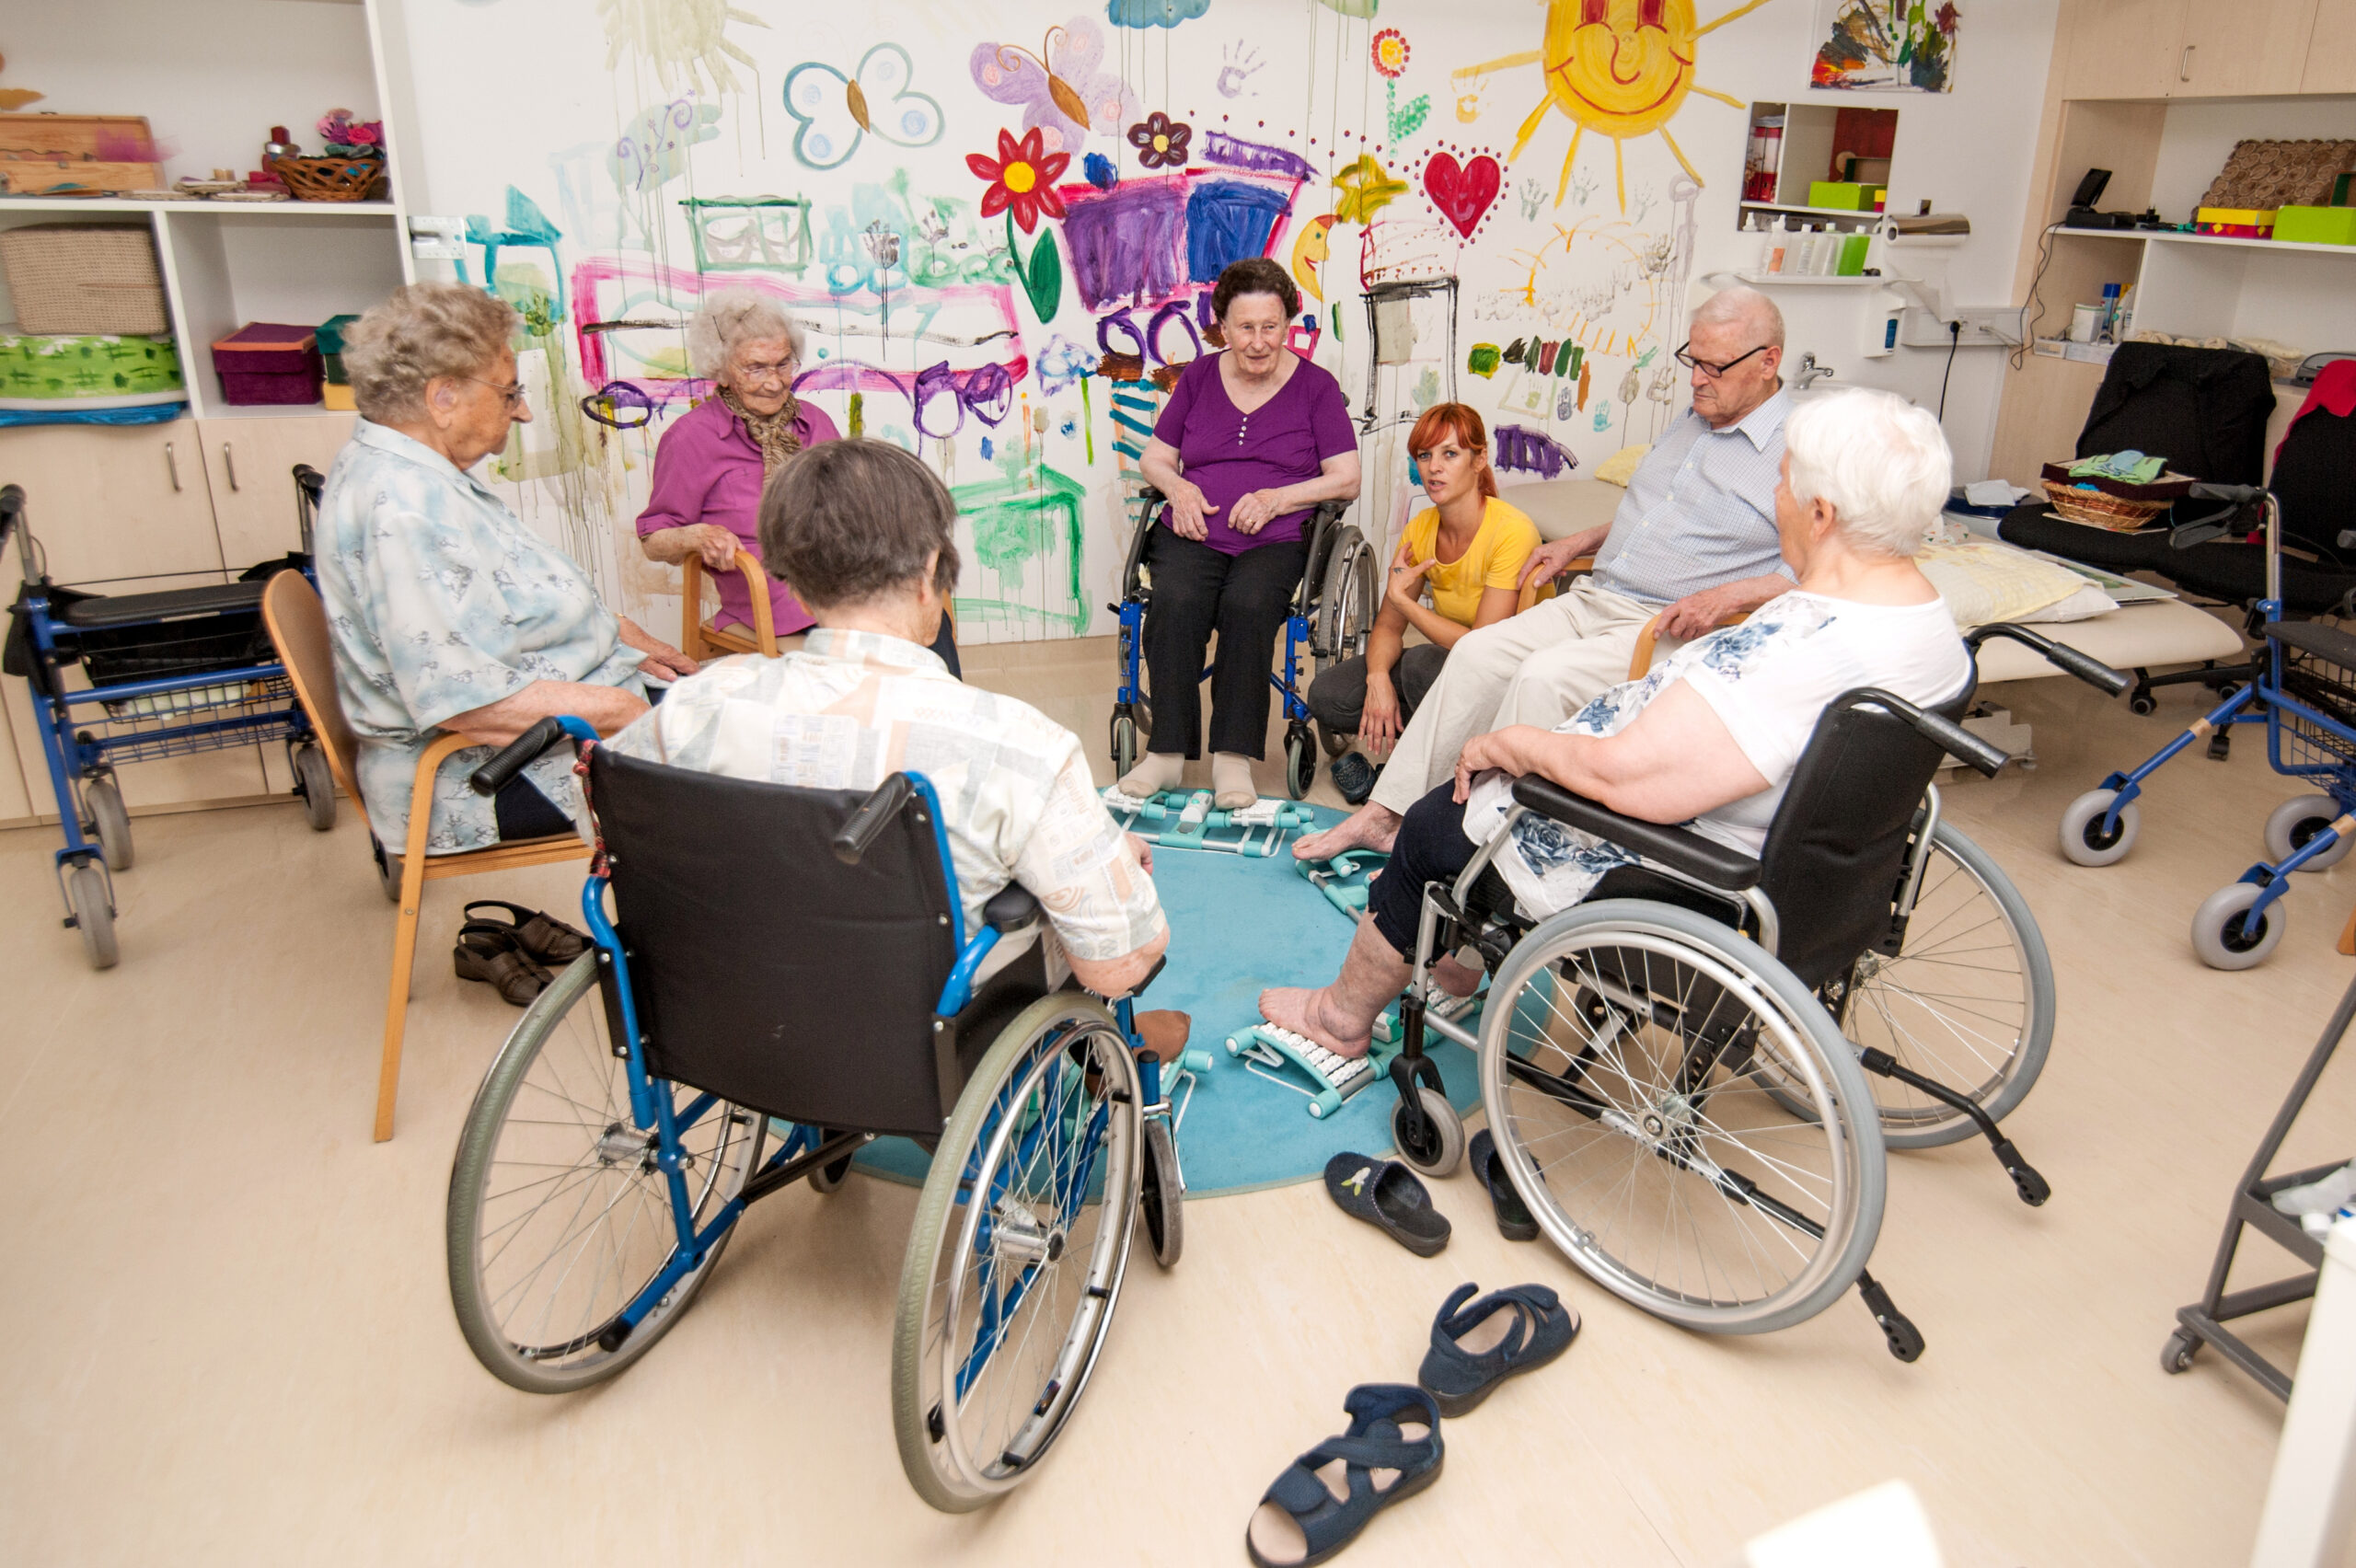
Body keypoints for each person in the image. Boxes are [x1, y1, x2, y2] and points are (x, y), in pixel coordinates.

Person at [1259, 388, 1971, 1058]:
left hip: (1682, 862)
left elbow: (1630, 780)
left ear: (1821, 514)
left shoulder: (1789, 653)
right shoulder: (1927, 626)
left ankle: (1340, 1017)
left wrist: (1513, 744)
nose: (1773, 500)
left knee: (1431, 828)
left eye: (1782, 485)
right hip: (1811, 868)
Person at [608, 439, 1185, 1046]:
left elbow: (610, 828)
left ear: (795, 588)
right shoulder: (1019, 745)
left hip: (739, 1023)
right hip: (928, 1042)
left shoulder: (695, 707)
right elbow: (1120, 965)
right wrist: (1098, 856)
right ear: (931, 574)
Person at [1292, 285, 1794, 862]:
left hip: (1664, 624)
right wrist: (1583, 540)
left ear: (1768, 362)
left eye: (1713, 367)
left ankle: (1465, 846)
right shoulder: (1696, 417)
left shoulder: (1798, 448)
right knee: (1476, 655)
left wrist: (1731, 595)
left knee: (1539, 677)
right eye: (1692, 360)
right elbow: (1655, 516)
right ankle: (1386, 817)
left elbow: (1822, 571)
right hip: (1597, 594)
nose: (1697, 379)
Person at [318, 282, 696, 858]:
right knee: (748, 768)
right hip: (487, 777)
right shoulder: (404, 509)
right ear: (443, 396)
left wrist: (614, 634)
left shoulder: (413, 472)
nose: (523, 410)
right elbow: (471, 703)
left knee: (734, 714)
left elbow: (500, 603)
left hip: (543, 732)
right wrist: (631, 713)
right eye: (510, 392)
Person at [1120, 257, 1361, 810]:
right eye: (1245, 327)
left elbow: (1347, 478)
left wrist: (1279, 498)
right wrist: (1178, 489)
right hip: (1195, 529)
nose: (1258, 341)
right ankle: (1166, 753)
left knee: (1249, 607)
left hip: (1277, 539)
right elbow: (1155, 459)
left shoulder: (1316, 388)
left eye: (1270, 326)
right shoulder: (1199, 378)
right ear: (1223, 327)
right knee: (1176, 601)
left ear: (1287, 325)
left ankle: (1233, 758)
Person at [635, 287, 961, 675]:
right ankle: (887, 710)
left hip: (844, 571)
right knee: (873, 650)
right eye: (755, 368)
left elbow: (855, 505)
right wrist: (698, 536)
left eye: (783, 364)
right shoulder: (690, 439)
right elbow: (654, 539)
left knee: (927, 615)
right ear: (720, 369)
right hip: (775, 593)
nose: (774, 382)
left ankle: (939, 707)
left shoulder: (814, 421)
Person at [1306, 402, 1539, 805]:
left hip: (1504, 682)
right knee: (1327, 695)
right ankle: (1425, 755)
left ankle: (1412, 772)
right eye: (1425, 455)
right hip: (1454, 667)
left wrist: (1405, 602)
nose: (1434, 468)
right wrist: (1378, 679)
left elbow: (1482, 648)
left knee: (1420, 665)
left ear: (1479, 460)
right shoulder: (1421, 528)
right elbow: (1387, 627)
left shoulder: (1512, 532)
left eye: (1450, 454)